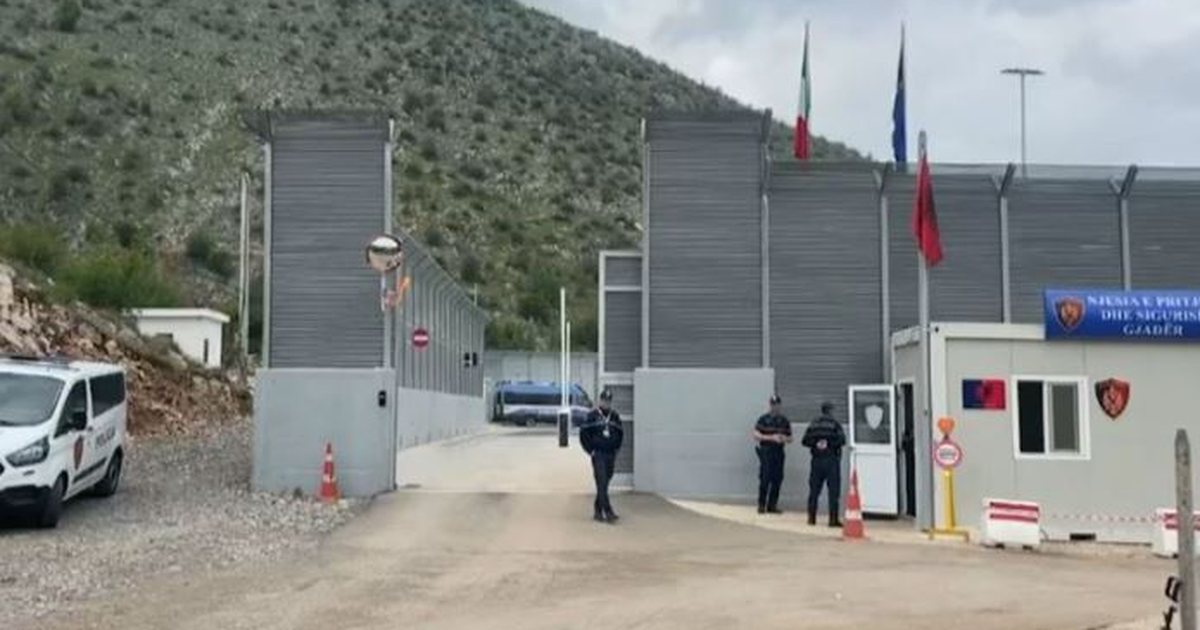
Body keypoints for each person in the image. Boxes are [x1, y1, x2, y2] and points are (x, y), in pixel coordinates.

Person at [580, 389, 624, 523]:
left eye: (608, 401)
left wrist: (616, 448)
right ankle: (608, 512)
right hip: (598, 454)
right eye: (604, 400)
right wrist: (590, 450)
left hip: (610, 454)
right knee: (602, 481)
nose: (606, 403)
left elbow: (620, 433)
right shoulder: (592, 416)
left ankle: (598, 510)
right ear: (600, 401)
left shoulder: (614, 416)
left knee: (604, 483)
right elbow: (584, 435)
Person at [802, 401, 846, 527]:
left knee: (814, 490)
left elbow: (805, 441)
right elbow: (842, 440)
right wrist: (829, 444)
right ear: (830, 411)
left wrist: (816, 444)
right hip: (831, 460)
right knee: (833, 491)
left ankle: (811, 518)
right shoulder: (835, 424)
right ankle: (833, 520)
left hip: (816, 460)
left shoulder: (814, 424)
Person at [752, 395, 792, 514]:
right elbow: (756, 435)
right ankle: (761, 505)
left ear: (780, 405)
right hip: (766, 451)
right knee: (765, 478)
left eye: (777, 404)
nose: (775, 407)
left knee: (777, 479)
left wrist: (783, 438)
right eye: (773, 404)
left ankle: (772, 505)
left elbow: (790, 438)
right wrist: (771, 437)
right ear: (770, 405)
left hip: (778, 452)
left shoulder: (784, 421)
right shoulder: (763, 419)